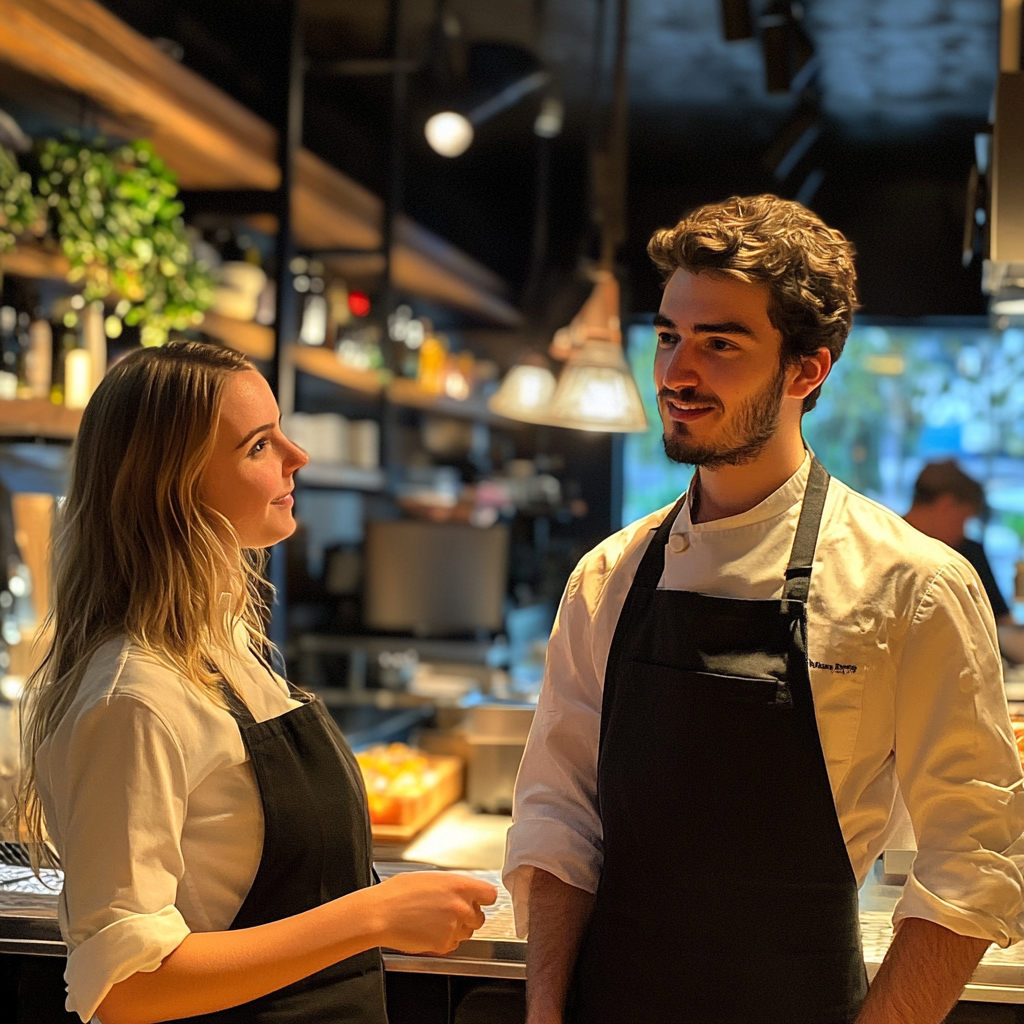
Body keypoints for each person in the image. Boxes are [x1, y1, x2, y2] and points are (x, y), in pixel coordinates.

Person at [503, 195, 1024, 1024]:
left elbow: (974, 857)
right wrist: (544, 1012)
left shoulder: (911, 586)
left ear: (806, 371)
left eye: (720, 343)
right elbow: (559, 816)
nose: (676, 371)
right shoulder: (608, 574)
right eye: (669, 336)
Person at [18, 341, 496, 1024]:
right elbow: (122, 986)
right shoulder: (133, 697)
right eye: (258, 446)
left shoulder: (226, 646)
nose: (297, 457)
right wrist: (373, 914)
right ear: (174, 487)